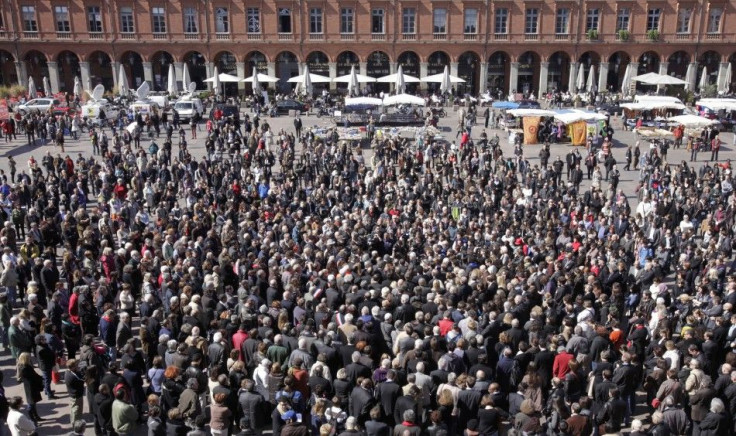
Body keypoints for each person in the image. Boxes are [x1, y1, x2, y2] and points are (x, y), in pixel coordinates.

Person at [15, 352, 42, 422]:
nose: (30, 358)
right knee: (31, 404)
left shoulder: (23, 366)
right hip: (30, 387)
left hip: (30, 387)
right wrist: (40, 378)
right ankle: (33, 420)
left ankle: (36, 417)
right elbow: (33, 376)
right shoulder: (25, 367)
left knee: (33, 403)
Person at [64, 359, 86, 425]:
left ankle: (78, 421)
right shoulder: (72, 376)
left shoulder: (69, 372)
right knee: (76, 410)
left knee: (76, 409)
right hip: (76, 395)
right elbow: (82, 381)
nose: (77, 366)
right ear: (72, 367)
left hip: (75, 394)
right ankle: (74, 424)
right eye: (76, 365)